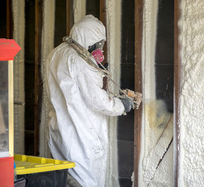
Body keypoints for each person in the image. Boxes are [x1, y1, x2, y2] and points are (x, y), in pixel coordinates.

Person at [45, 15, 136, 187]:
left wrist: (95, 71)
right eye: (99, 43)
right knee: (86, 183)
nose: (100, 48)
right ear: (90, 38)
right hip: (81, 138)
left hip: (60, 133)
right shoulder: (79, 60)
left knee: (63, 181)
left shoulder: (56, 53)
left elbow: (74, 89)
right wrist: (122, 104)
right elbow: (97, 100)